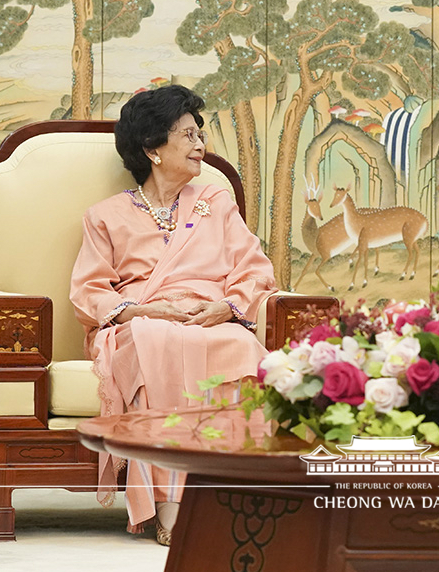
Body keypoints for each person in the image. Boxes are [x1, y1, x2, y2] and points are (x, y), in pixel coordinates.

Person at [69, 85, 275, 544]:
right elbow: (89, 291)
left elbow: (254, 267)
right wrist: (142, 310)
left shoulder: (216, 202)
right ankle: (172, 506)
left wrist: (229, 306)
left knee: (243, 348)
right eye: (187, 134)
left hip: (211, 317)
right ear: (152, 149)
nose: (200, 143)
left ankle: (240, 501)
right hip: (140, 322)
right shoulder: (105, 216)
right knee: (154, 341)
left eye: (199, 133)